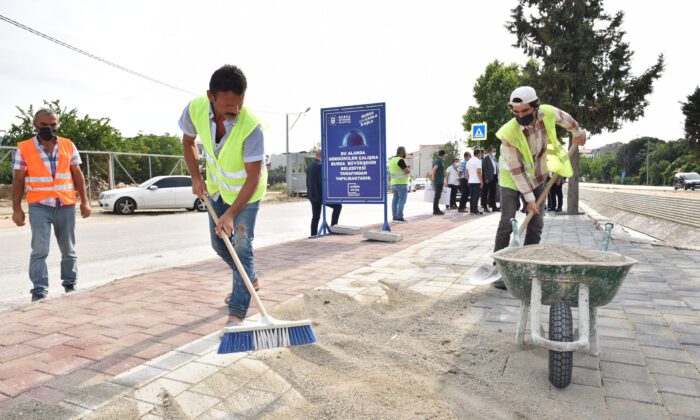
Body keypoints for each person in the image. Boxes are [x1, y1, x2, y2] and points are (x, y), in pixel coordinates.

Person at [180, 65, 266, 327]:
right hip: (217, 189)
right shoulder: (194, 109)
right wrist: (196, 176)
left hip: (246, 195)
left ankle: (237, 314)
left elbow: (253, 177)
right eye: (228, 105)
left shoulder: (251, 128)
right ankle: (249, 278)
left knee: (241, 247)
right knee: (219, 244)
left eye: (239, 105)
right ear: (211, 96)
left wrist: (230, 214)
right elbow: (187, 142)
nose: (235, 112)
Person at [492, 86, 586, 289]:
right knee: (507, 221)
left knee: (536, 223)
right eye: (516, 112)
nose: (520, 116)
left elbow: (567, 120)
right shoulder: (509, 134)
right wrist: (530, 200)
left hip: (538, 175)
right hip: (511, 178)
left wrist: (578, 132)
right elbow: (516, 171)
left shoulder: (549, 113)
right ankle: (499, 269)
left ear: (535, 106)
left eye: (525, 111)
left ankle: (528, 266)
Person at [12, 108, 91, 301]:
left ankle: (70, 285)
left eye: (53, 125)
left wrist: (85, 201)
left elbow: (77, 174)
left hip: (65, 203)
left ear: (58, 125)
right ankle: (39, 291)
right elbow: (18, 180)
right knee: (40, 249)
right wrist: (16, 209)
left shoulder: (68, 145)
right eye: (44, 125)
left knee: (68, 249)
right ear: (35, 125)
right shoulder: (24, 148)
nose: (49, 128)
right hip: (39, 205)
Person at [307, 148, 342, 234]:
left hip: (312, 194)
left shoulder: (310, 166)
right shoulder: (320, 166)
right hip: (320, 195)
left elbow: (307, 181)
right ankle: (334, 228)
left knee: (315, 216)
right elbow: (322, 182)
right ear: (322, 155)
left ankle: (313, 234)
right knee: (338, 206)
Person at [388, 146, 410, 222]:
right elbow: (406, 171)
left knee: (395, 200)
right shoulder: (400, 160)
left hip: (394, 183)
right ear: (402, 152)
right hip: (402, 183)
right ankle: (399, 217)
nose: (405, 154)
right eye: (405, 152)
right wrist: (409, 170)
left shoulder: (391, 161)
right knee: (402, 200)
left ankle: (395, 216)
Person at [480, 146, 500, 212]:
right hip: (487, 178)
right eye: (493, 151)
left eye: (495, 151)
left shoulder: (494, 158)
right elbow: (484, 169)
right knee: (485, 192)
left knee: (493, 192)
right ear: (489, 151)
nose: (494, 152)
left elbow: (495, 167)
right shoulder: (485, 158)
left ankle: (493, 206)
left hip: (494, 177)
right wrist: (485, 178)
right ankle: (485, 206)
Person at [466, 149, 483, 215]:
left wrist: (468, 180)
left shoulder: (469, 161)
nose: (481, 155)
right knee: (476, 196)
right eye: (480, 153)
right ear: (478, 154)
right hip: (476, 181)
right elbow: (479, 172)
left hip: (470, 181)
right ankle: (475, 210)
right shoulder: (478, 161)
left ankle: (472, 210)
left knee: (472, 196)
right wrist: (481, 181)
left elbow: (467, 173)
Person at [431, 150, 447, 215]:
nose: (445, 156)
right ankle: (436, 210)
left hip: (437, 181)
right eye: (445, 155)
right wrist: (433, 178)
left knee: (437, 196)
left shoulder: (436, 160)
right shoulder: (439, 161)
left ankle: (436, 209)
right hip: (438, 181)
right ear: (443, 155)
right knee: (437, 196)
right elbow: (434, 169)